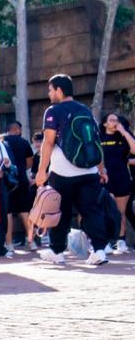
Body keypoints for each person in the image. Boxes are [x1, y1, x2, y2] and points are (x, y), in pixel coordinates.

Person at [35, 75, 111, 266]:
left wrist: (41, 170)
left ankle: (57, 251)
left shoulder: (53, 111)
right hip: (89, 170)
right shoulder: (85, 110)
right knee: (92, 210)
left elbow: (49, 142)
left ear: (59, 90)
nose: (49, 93)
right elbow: (95, 143)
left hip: (62, 172)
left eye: (50, 90)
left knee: (60, 211)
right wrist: (102, 169)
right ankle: (99, 251)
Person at [99, 112, 134, 254]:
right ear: (105, 123)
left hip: (122, 177)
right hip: (104, 178)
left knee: (121, 212)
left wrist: (123, 131)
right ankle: (104, 242)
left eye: (117, 120)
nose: (115, 122)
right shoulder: (99, 137)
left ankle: (121, 241)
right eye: (112, 120)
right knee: (104, 210)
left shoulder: (124, 136)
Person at [3, 121, 36, 250]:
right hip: (21, 179)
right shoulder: (24, 142)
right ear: (17, 130)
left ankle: (9, 244)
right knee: (25, 211)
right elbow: (29, 162)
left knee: (8, 212)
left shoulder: (2, 142)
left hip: (7, 180)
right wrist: (21, 169)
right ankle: (31, 241)